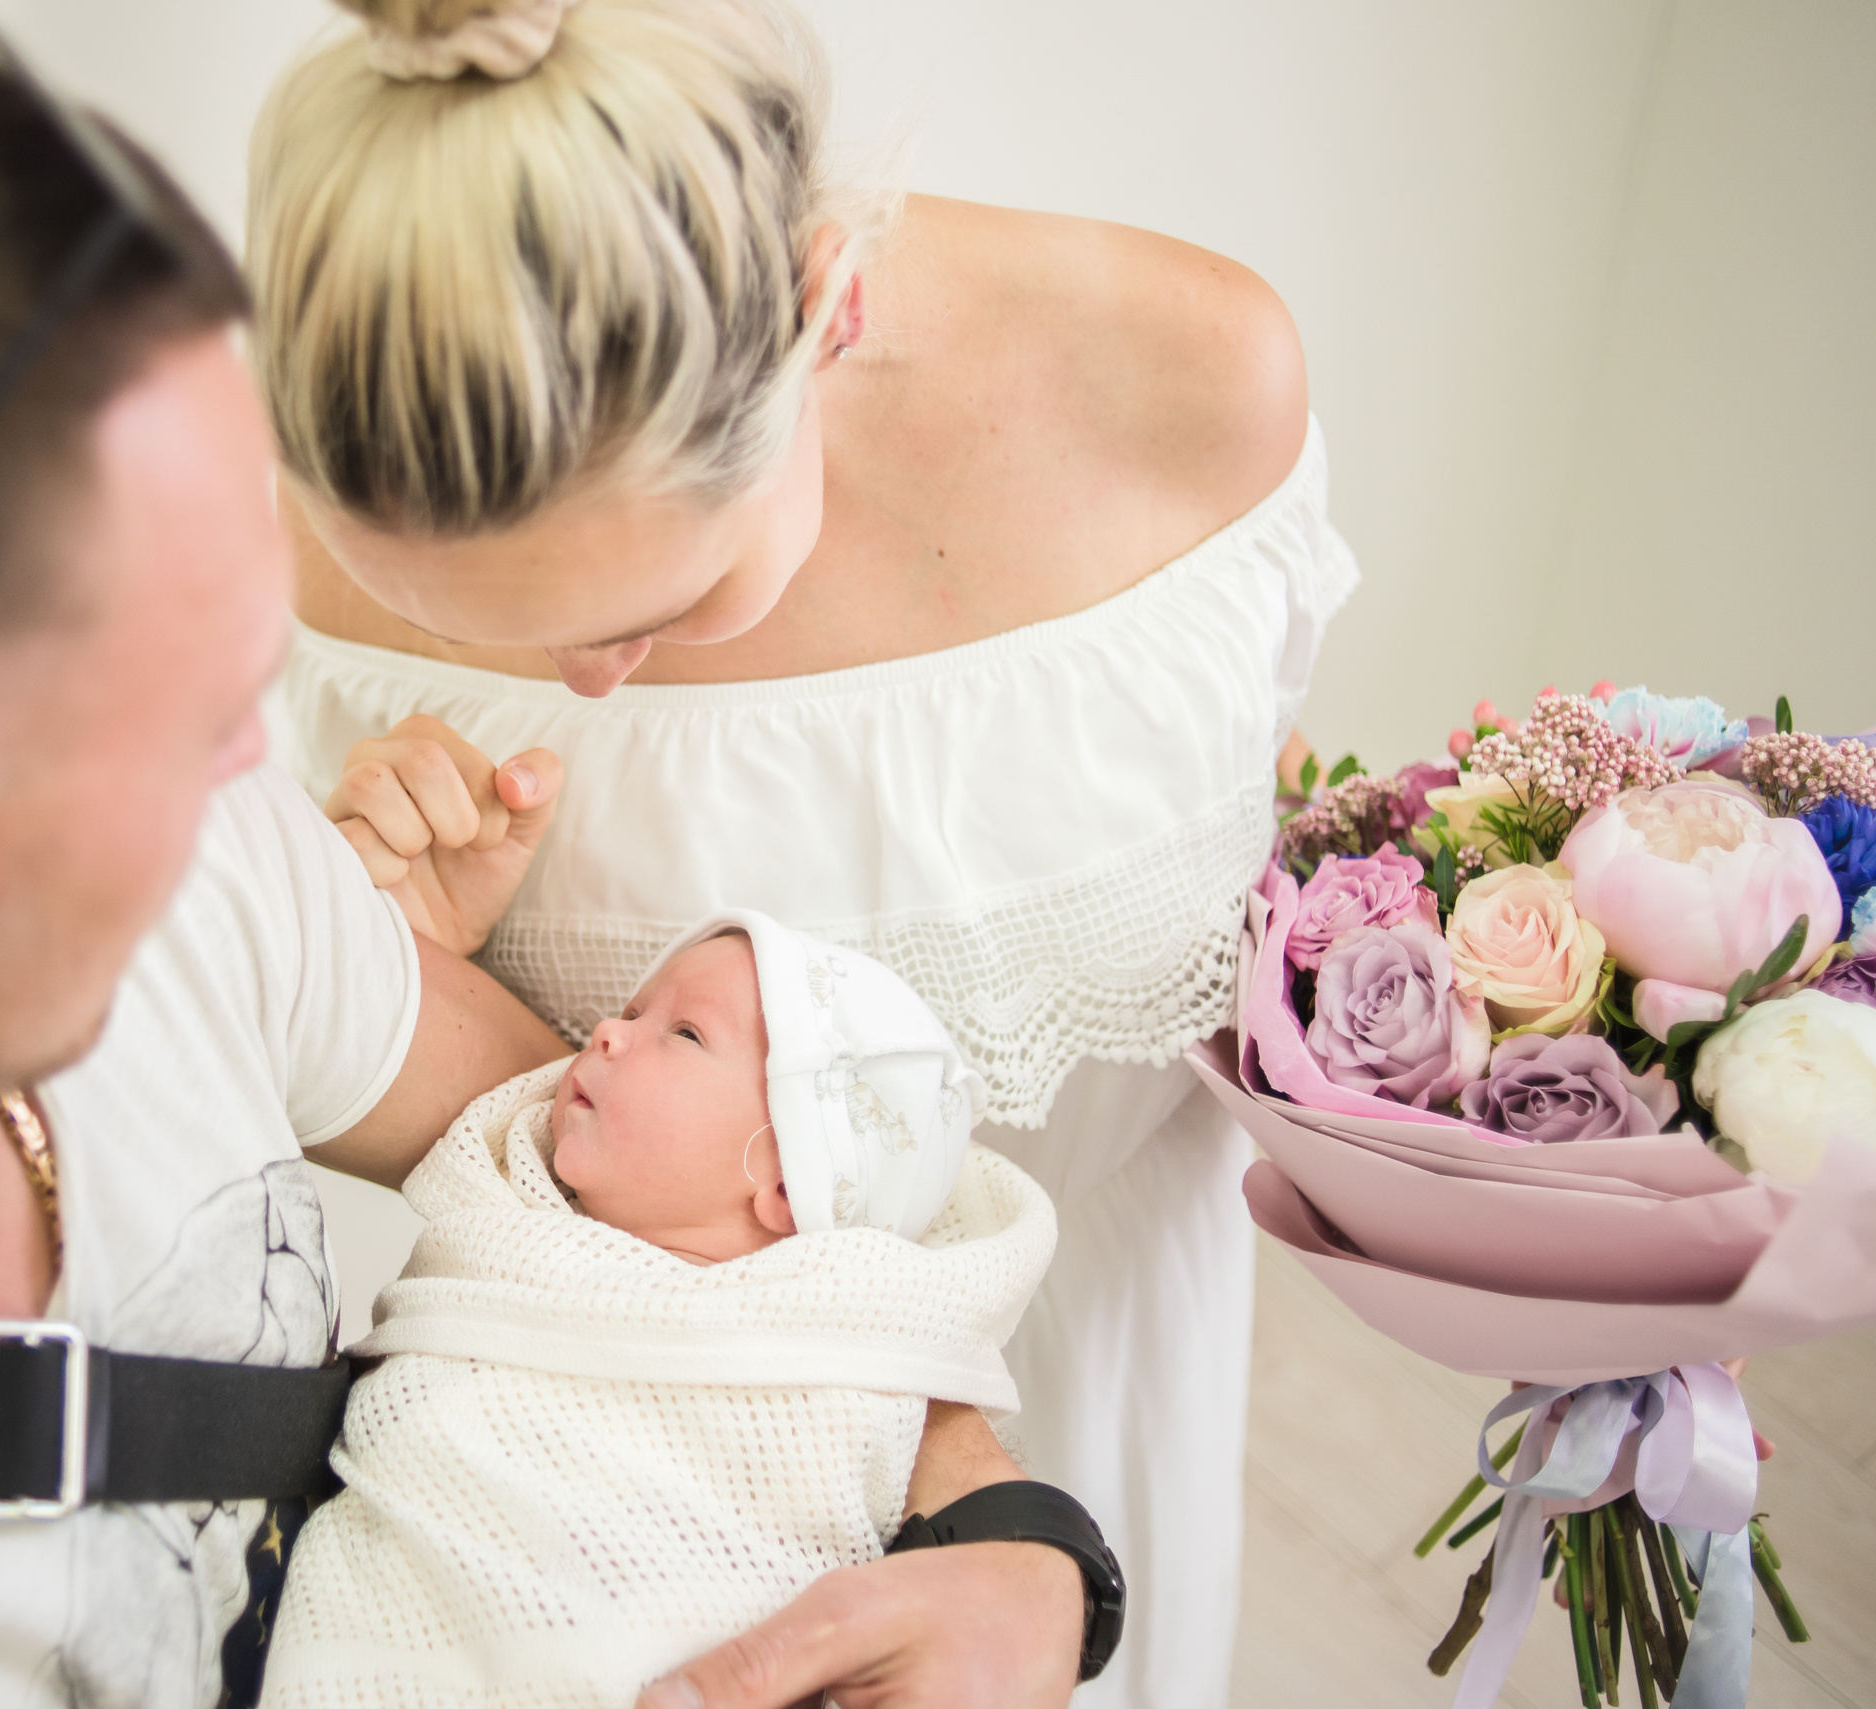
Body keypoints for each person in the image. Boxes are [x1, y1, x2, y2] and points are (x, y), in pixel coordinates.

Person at [0, 13, 1084, 1707]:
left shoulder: (209, 877)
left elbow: (684, 1217)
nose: (268, 772)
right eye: (195, 716)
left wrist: (998, 1524)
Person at [252, 2, 1357, 1703]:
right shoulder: (325, 498)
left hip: (1085, 1402)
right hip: (556, 1512)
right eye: (481, 628)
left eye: (657, 602)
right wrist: (394, 956)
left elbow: (1270, 863)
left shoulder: (1192, 398)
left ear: (824, 300)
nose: (589, 688)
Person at [263, 915, 1063, 1705]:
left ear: (786, 1183)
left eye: (683, 1033)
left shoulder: (839, 1358)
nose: (610, 1030)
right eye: (633, 1009)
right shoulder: (498, 1220)